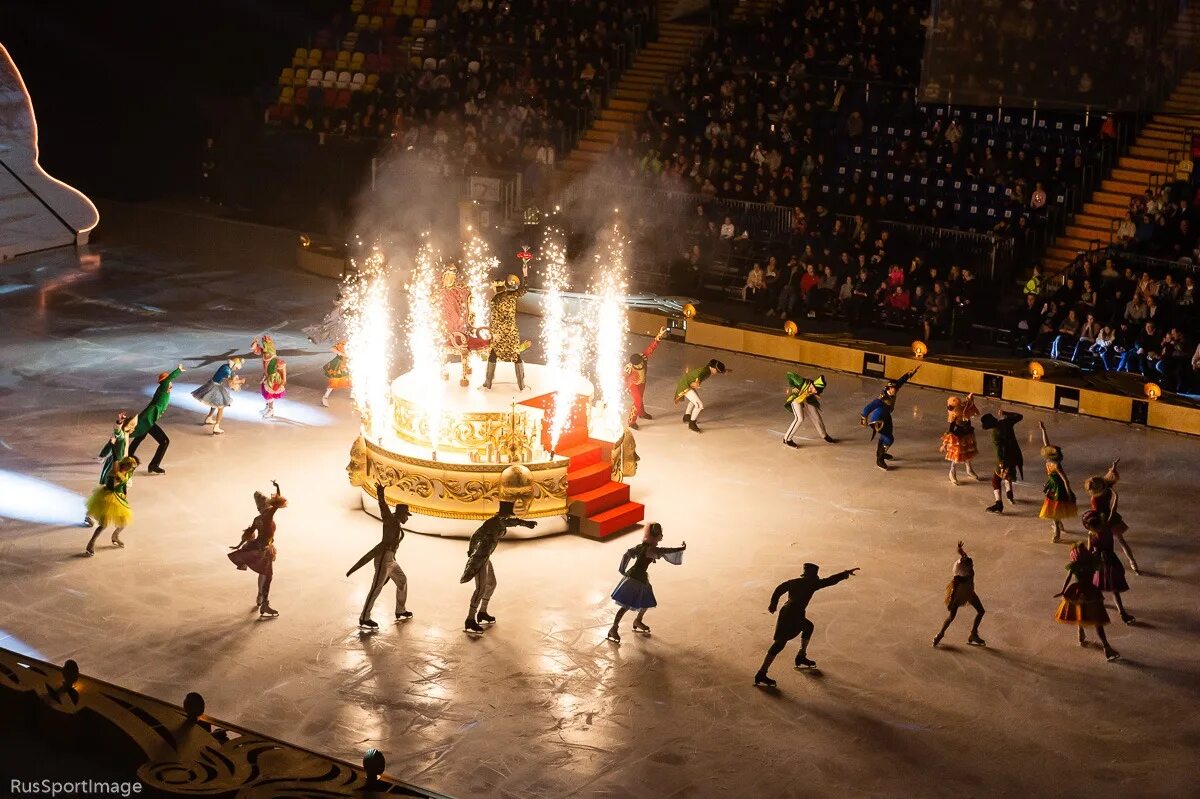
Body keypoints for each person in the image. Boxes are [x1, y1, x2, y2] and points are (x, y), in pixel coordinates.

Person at [754, 563, 860, 687]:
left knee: (807, 627)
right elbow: (829, 581)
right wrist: (845, 573)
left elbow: (780, 588)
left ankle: (801, 656)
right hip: (792, 614)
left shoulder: (794, 582)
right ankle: (762, 673)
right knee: (780, 643)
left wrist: (773, 603)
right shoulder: (812, 583)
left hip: (789, 612)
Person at [459, 501, 536, 634]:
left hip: (485, 557)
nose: (508, 518)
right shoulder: (496, 522)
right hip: (480, 558)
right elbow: (477, 535)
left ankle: (482, 612)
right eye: (507, 515)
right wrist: (526, 523)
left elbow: (476, 535)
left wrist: (471, 549)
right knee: (480, 588)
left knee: (492, 584)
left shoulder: (496, 522)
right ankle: (470, 619)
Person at [347, 482, 413, 629]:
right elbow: (382, 506)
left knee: (402, 580)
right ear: (401, 514)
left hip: (391, 559)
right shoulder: (390, 520)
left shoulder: (397, 524)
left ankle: (400, 610)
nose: (407, 518)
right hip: (383, 559)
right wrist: (380, 492)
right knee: (376, 588)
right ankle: (364, 617)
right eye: (406, 515)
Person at [604, 523, 685, 644]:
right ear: (654, 537)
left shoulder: (641, 546)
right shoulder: (651, 549)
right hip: (634, 579)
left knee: (647, 601)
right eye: (658, 538)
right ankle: (613, 628)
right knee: (626, 605)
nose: (659, 541)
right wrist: (681, 548)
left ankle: (638, 621)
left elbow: (627, 553)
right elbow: (665, 551)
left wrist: (622, 569)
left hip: (639, 578)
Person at [227, 481, 287, 618]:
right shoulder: (268, 515)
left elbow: (248, 533)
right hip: (264, 549)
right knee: (268, 575)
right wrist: (277, 486)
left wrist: (238, 545)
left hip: (260, 546)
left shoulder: (257, 518)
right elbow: (279, 500)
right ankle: (264, 603)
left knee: (263, 573)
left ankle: (260, 596)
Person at [1054, 541, 1120, 662]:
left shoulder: (1075, 565)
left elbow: (1068, 577)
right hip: (1091, 591)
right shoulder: (1092, 564)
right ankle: (1106, 646)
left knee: (1080, 611)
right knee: (1097, 620)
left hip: (1078, 591)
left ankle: (1081, 632)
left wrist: (1063, 590)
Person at [1083, 510, 1136, 626]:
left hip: (1102, 562)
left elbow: (1089, 550)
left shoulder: (1092, 535)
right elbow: (1111, 512)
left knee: (1099, 585)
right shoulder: (1107, 529)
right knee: (1113, 588)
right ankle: (1121, 612)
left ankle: (1097, 606)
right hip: (1110, 560)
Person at [860, 367, 920, 470]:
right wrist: (863, 421)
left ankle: (881, 452)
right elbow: (867, 408)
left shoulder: (893, 390)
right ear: (888, 389)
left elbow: (900, 382)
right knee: (889, 438)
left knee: (886, 437)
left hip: (886, 416)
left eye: (896, 389)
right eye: (893, 389)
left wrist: (909, 374)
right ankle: (880, 458)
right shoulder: (882, 399)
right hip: (878, 420)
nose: (895, 391)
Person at [129, 365, 184, 474]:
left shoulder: (165, 390)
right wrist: (178, 371)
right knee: (164, 441)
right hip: (148, 420)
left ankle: (128, 457)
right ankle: (153, 465)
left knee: (139, 438)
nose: (170, 384)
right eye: (168, 382)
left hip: (147, 419)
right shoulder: (163, 388)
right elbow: (168, 380)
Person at [483, 268, 530, 391]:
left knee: (493, 355)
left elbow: (493, 320)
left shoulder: (494, 301)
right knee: (516, 356)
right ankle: (521, 385)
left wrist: (492, 334)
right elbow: (525, 289)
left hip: (499, 334)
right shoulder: (512, 296)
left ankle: (488, 383)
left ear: (494, 288)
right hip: (511, 333)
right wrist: (525, 272)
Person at [87, 412, 138, 526]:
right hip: (115, 467)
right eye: (133, 427)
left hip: (121, 468)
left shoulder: (126, 435)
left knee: (112, 493)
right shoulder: (121, 436)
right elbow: (117, 432)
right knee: (107, 493)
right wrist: (119, 422)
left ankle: (96, 515)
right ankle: (92, 515)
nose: (134, 430)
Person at [933, 541, 986, 647]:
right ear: (965, 567)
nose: (972, 565)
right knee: (952, 616)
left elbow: (964, 555)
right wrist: (951, 601)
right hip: (959, 595)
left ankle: (974, 634)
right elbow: (954, 588)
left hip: (969, 592)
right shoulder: (960, 578)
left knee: (981, 611)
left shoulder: (963, 562)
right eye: (969, 565)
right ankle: (940, 634)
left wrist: (960, 549)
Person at [83, 456, 138, 556]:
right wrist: (115, 480)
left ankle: (115, 536)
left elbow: (125, 483)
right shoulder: (115, 472)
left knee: (124, 520)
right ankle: (91, 543)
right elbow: (111, 487)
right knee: (104, 525)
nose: (130, 468)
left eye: (132, 467)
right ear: (124, 464)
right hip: (109, 499)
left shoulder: (127, 472)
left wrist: (125, 493)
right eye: (129, 466)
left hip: (120, 499)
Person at [1038, 422, 1076, 543]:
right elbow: (1046, 443)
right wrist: (1043, 430)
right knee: (1053, 509)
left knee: (1053, 511)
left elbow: (1065, 479)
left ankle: (1057, 533)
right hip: (1053, 486)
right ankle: (1060, 526)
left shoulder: (1056, 465)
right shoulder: (1049, 459)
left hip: (1058, 488)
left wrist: (1069, 492)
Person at [624, 327, 668, 429]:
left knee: (640, 399)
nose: (640, 365)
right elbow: (623, 377)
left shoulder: (643, 357)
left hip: (642, 382)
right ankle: (631, 421)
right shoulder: (628, 367)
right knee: (638, 401)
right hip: (633, 385)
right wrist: (626, 387)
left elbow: (651, 348)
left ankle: (642, 413)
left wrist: (659, 335)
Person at [980, 406, 1024, 499]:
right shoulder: (1006, 422)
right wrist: (1006, 413)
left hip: (1005, 459)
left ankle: (998, 503)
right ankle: (1009, 495)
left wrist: (1001, 462)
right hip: (1014, 455)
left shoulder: (995, 433)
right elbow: (1019, 416)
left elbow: (999, 449)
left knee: (995, 481)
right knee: (1009, 475)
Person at [192, 357, 244, 435]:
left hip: (216, 385)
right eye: (236, 367)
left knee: (215, 403)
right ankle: (216, 427)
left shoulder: (226, 367)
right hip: (214, 386)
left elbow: (231, 377)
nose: (236, 369)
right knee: (221, 406)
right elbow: (230, 382)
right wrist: (240, 381)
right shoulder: (226, 370)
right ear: (234, 365)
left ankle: (209, 418)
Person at [675, 359, 729, 433]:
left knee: (693, 401)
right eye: (717, 371)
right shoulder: (705, 371)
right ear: (713, 368)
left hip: (687, 384)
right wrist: (696, 383)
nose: (716, 373)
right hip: (685, 386)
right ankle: (692, 423)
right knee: (699, 405)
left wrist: (724, 371)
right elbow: (699, 374)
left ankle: (687, 416)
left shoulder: (708, 369)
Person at [782, 372, 834, 447]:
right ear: (813, 385)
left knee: (816, 417)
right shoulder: (801, 381)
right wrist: (793, 386)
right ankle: (787, 439)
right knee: (799, 418)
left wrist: (815, 395)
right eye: (815, 390)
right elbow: (789, 374)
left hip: (807, 400)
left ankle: (824, 435)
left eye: (816, 391)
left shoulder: (814, 391)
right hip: (796, 399)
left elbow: (814, 394)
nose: (814, 391)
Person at [940, 394, 980, 484]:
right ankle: (952, 472)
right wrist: (944, 444)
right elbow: (950, 430)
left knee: (968, 453)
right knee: (957, 455)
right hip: (959, 436)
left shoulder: (964, 408)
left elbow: (969, 403)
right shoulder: (954, 416)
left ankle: (969, 470)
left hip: (967, 434)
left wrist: (970, 398)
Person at [251, 335, 286, 418]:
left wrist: (282, 381)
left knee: (270, 393)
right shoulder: (265, 353)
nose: (265, 354)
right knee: (266, 393)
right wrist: (255, 342)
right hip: (267, 377)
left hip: (273, 379)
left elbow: (282, 370)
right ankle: (267, 407)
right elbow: (256, 350)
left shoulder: (276, 360)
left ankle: (271, 409)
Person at [321, 342, 350, 407]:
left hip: (347, 364)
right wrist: (341, 353)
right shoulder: (342, 342)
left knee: (351, 379)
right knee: (334, 381)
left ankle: (354, 394)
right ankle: (325, 397)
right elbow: (332, 349)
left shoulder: (354, 341)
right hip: (338, 364)